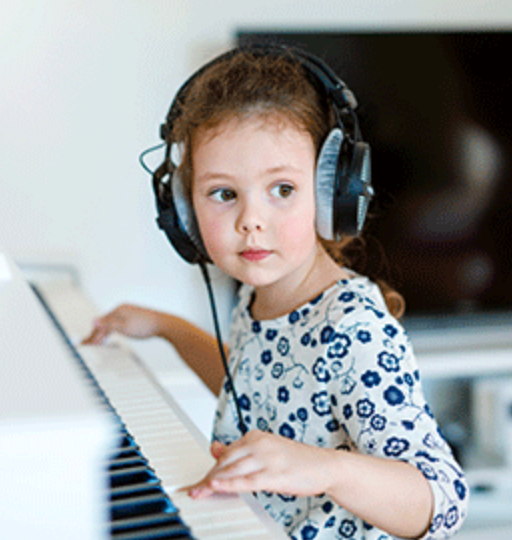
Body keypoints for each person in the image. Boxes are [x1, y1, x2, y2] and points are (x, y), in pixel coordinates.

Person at [83, 46, 468, 540]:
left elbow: (444, 500)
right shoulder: (260, 297)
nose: (251, 221)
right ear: (184, 212)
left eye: (282, 189)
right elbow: (249, 382)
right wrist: (167, 328)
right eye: (224, 194)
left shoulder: (351, 327)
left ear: (330, 193)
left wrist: (324, 468)